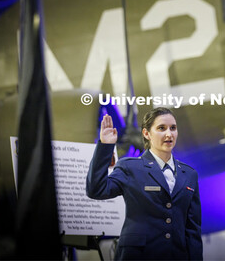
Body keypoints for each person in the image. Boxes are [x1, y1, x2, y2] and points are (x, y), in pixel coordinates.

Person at [86, 107, 203, 260]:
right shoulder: (130, 167)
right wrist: (105, 147)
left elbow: (192, 230)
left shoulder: (189, 174)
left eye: (173, 128)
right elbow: (96, 190)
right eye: (161, 128)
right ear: (146, 133)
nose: (169, 134)